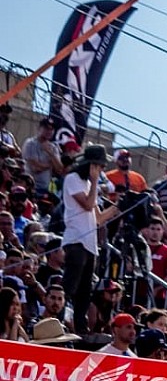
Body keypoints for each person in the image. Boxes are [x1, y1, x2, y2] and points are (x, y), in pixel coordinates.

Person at [61, 145, 119, 322]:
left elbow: (98, 219)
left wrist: (118, 207)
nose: (102, 170)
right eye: (100, 166)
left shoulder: (87, 184)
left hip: (90, 243)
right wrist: (95, 182)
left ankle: (79, 322)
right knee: (71, 284)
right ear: (92, 165)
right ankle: (60, 318)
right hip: (76, 240)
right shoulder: (73, 179)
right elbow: (87, 204)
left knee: (85, 289)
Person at [21, 118, 63, 197]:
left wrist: (50, 153)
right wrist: (51, 164)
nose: (49, 131)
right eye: (46, 128)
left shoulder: (53, 147)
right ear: (39, 128)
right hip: (30, 187)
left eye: (52, 129)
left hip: (45, 188)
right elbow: (35, 168)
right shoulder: (30, 143)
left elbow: (60, 169)